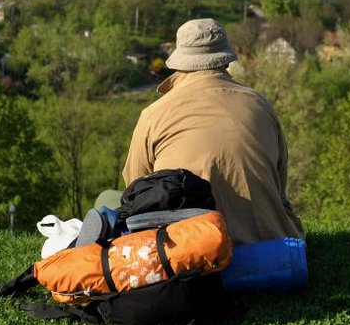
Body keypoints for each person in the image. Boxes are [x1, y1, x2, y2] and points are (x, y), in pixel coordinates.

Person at [123, 18, 304, 246]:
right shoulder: (260, 105)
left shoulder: (153, 114)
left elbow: (137, 190)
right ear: (225, 61)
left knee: (108, 198)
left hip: (190, 259)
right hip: (271, 249)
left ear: (180, 62)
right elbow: (279, 184)